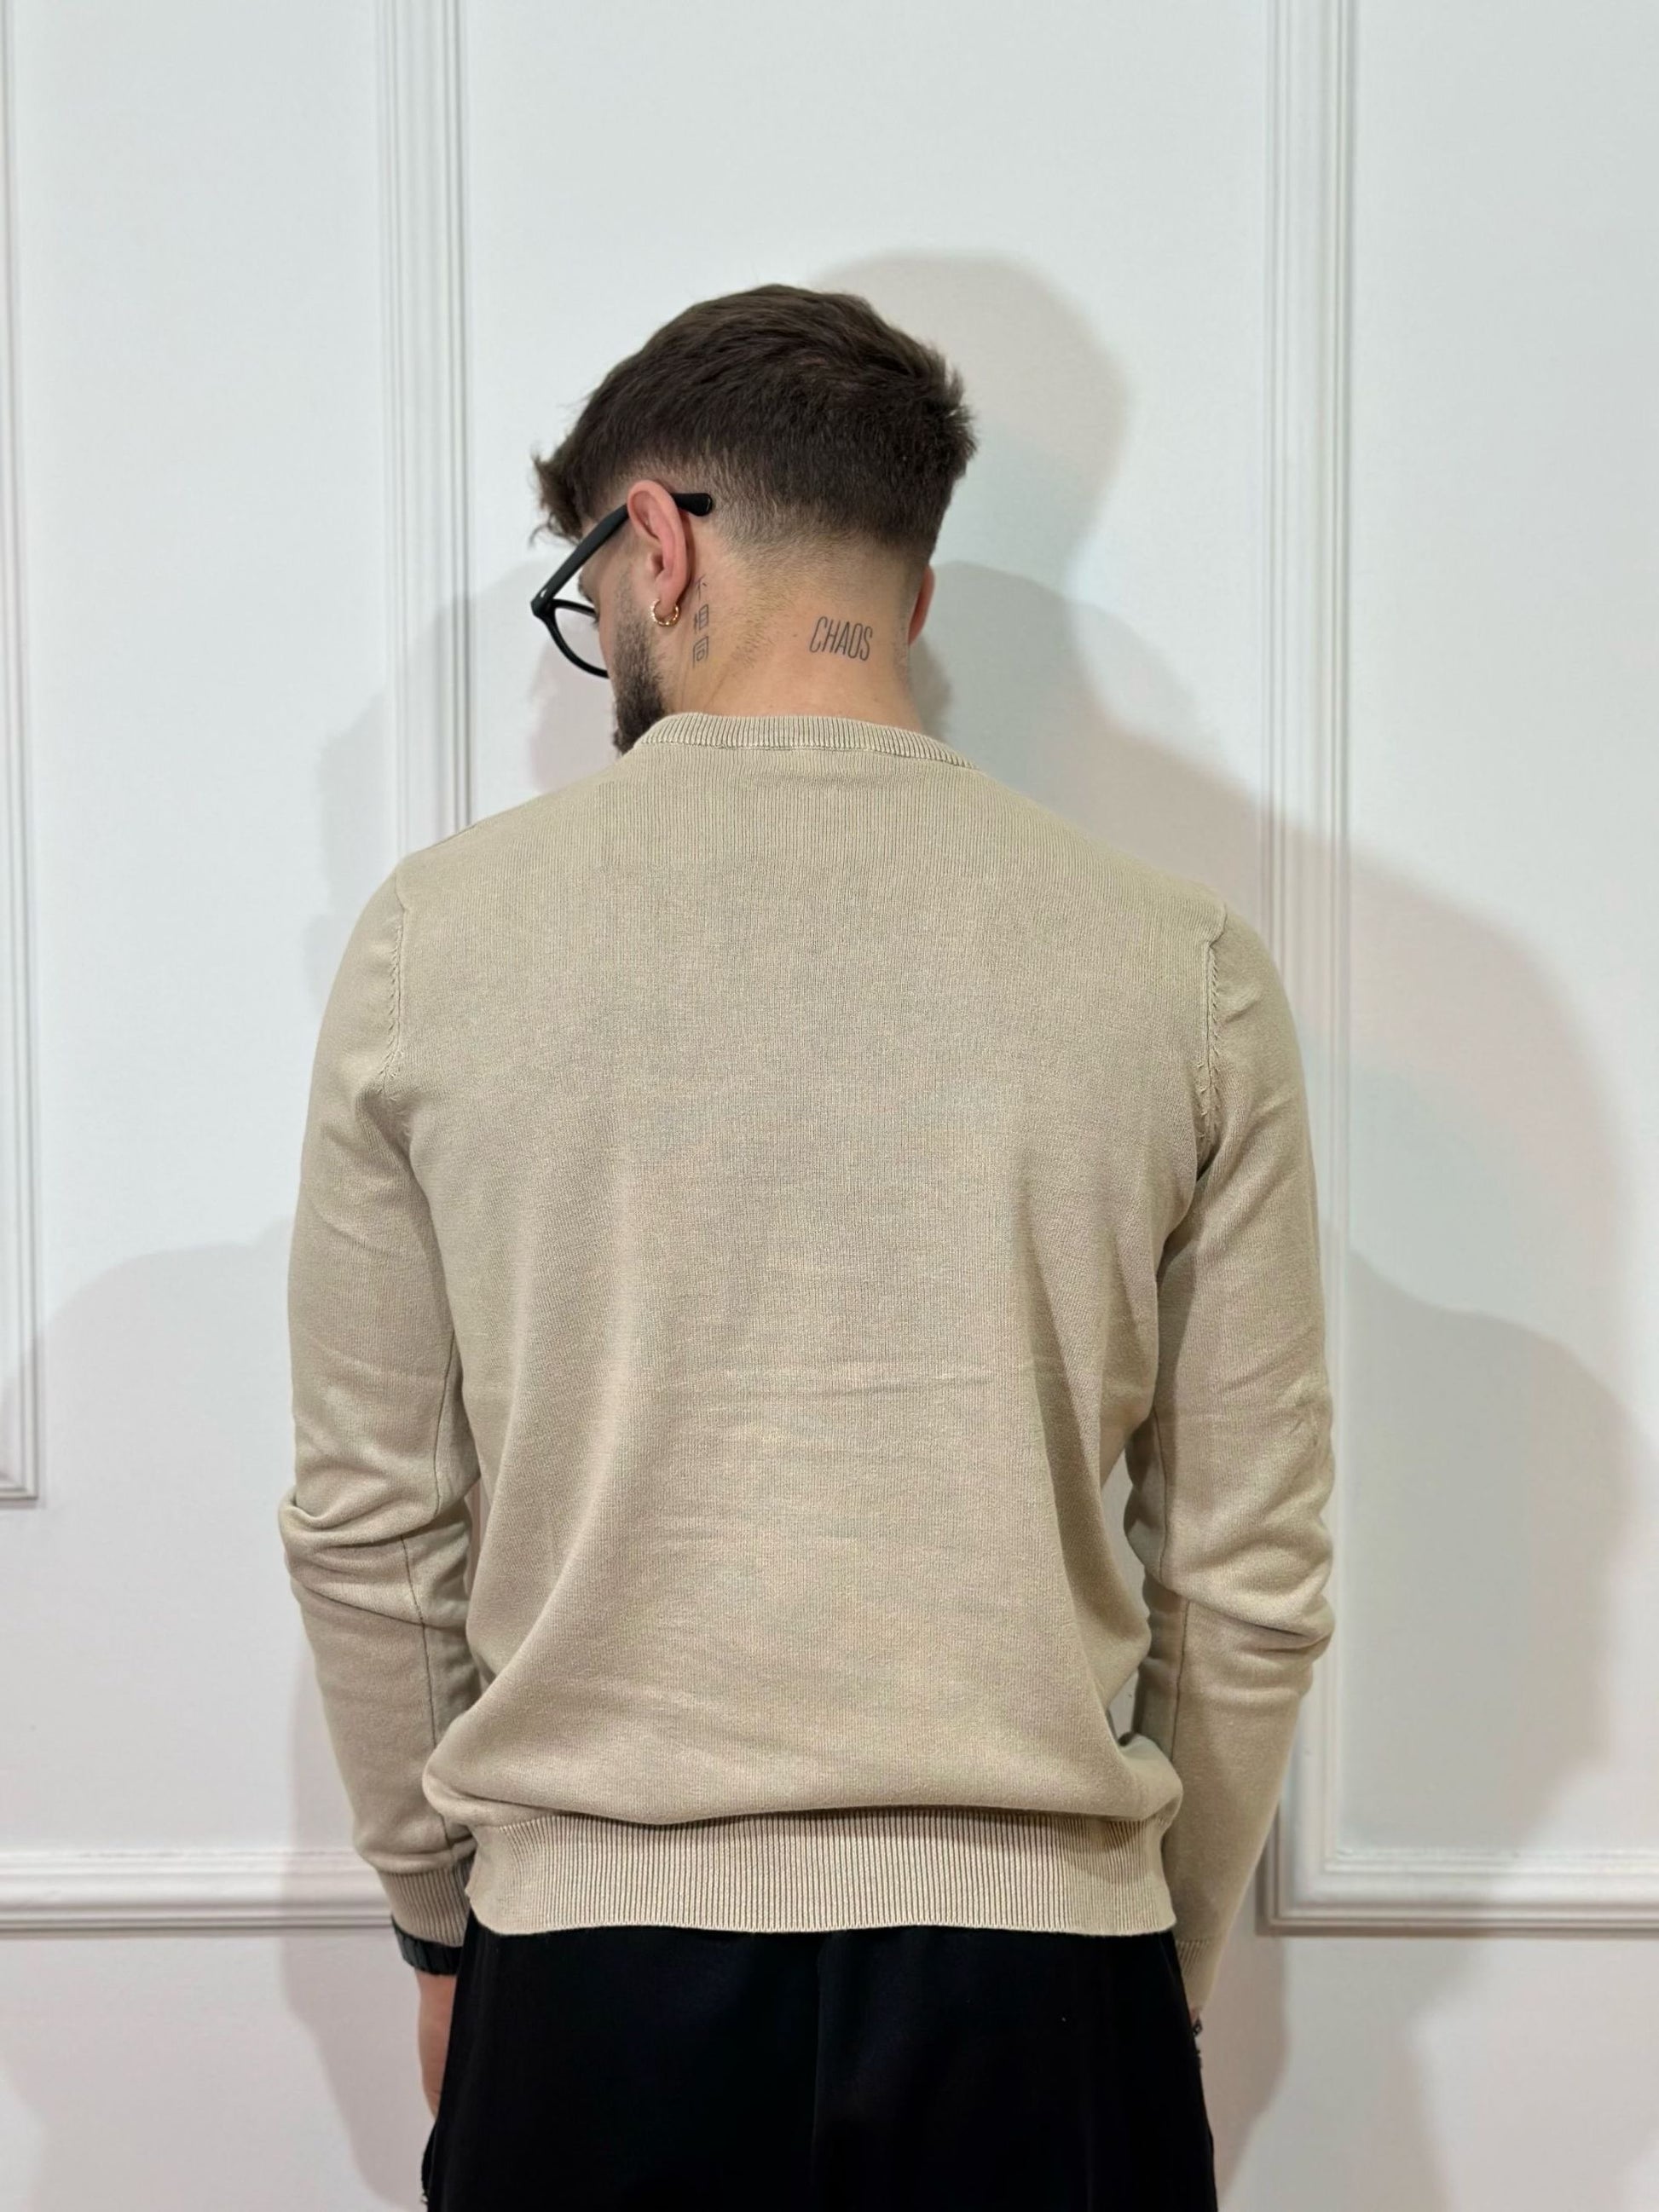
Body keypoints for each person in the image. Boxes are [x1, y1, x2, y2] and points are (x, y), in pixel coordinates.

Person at [277, 281, 1336, 2210]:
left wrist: (443, 1926)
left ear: (656, 541)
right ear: (910, 594)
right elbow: (1244, 1571)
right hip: (1045, 1982)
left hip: (593, 1984)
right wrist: (1139, 1957)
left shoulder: (440, 943)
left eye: (590, 587)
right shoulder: (1177, 967)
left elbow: (372, 1519)